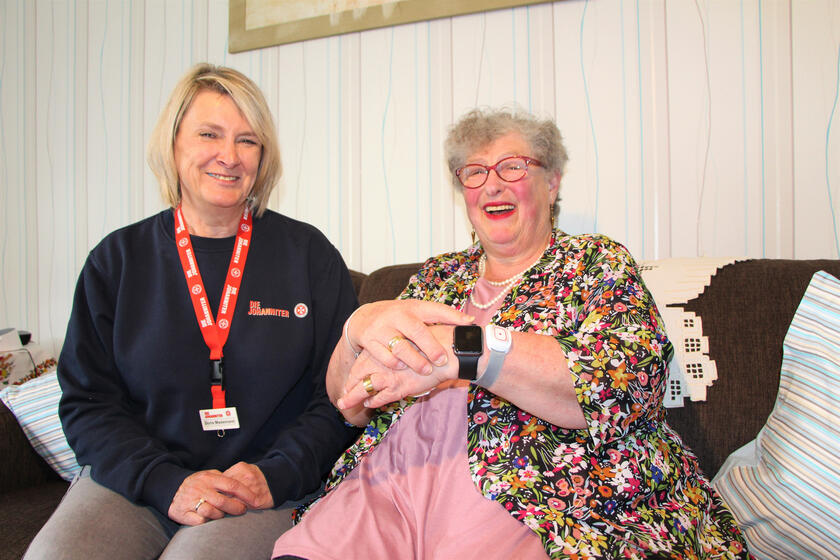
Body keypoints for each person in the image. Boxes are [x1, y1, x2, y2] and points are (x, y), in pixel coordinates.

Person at [272, 108, 750, 559]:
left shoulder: (595, 264)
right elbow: (350, 405)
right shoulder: (437, 277)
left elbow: (622, 387)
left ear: (552, 181)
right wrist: (355, 331)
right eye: (475, 172)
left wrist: (464, 350)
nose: (492, 184)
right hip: (394, 481)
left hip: (532, 488)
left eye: (513, 167)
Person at [25, 63, 359, 560]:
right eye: (209, 134)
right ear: (173, 143)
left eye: (247, 140)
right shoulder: (116, 261)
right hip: (138, 482)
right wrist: (162, 480)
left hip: (260, 488)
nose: (229, 156)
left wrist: (276, 473)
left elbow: (341, 399)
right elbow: (87, 402)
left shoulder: (309, 256)